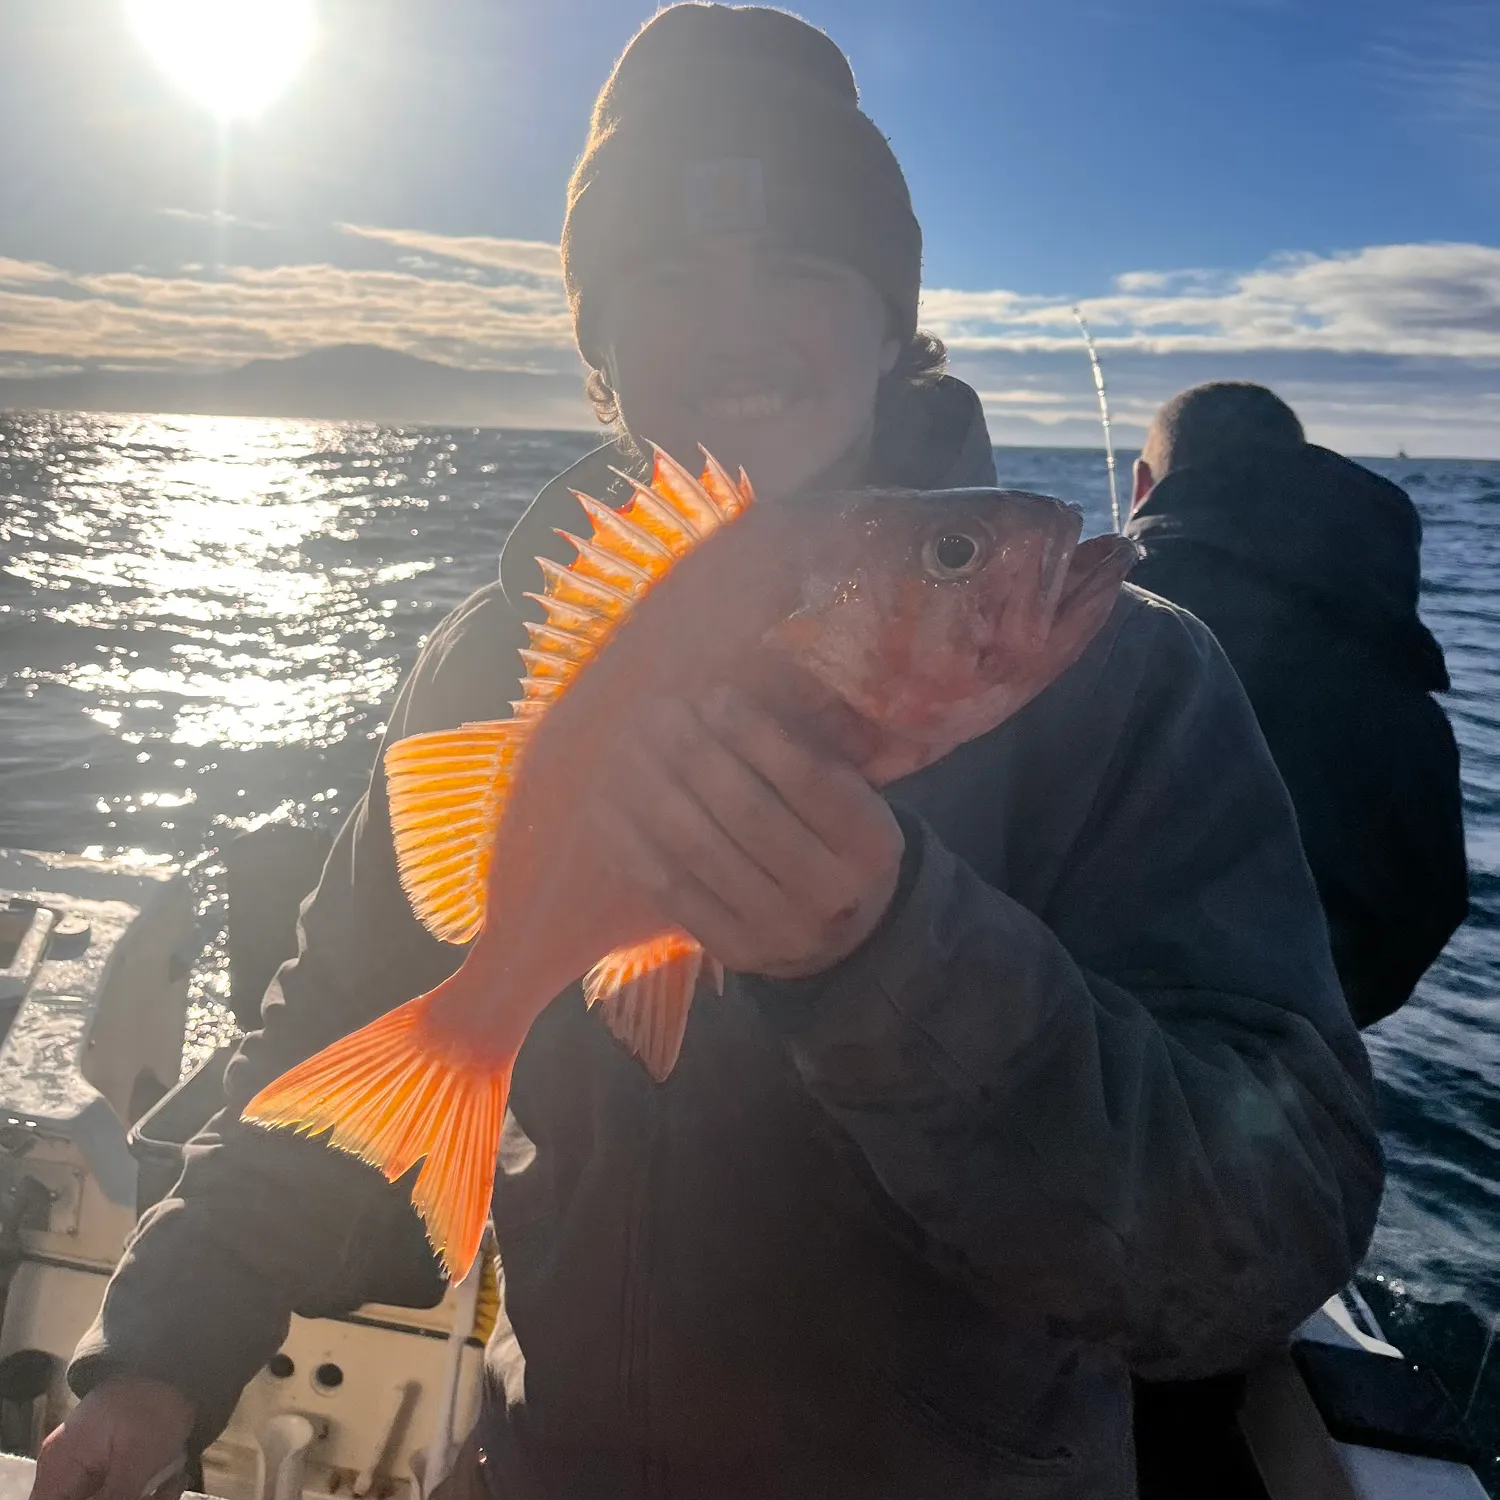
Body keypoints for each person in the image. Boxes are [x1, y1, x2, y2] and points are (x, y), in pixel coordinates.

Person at [36, 11, 1382, 1500]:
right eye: (668, 276)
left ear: (891, 324)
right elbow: (331, 1044)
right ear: (602, 343)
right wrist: (158, 1355)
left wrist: (893, 958)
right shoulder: (489, 666)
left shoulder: (1129, 682)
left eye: (804, 265)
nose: (735, 322)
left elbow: (1272, 1225)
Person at [1124, 382, 1469, 1029]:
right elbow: (1425, 906)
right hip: (1301, 1079)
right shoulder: (1397, 664)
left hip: (1081, 1063)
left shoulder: (1110, 621)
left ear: (1142, 484)